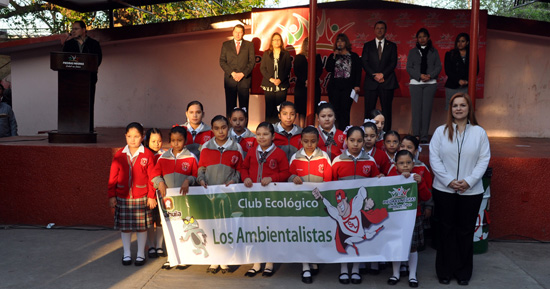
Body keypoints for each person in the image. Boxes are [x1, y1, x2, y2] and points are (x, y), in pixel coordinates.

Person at [429, 93, 490, 285]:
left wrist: (469, 181)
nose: (458, 109)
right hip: (444, 190)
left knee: (465, 232)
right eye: (455, 105)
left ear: (469, 108)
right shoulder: (440, 132)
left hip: (471, 191)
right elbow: (434, 158)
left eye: (462, 105)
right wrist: (449, 181)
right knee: (445, 230)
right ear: (451, 109)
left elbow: (483, 159)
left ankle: (463, 272)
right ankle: (444, 272)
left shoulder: (479, 133)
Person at [240, 122, 290, 277]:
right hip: (254, 198)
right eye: (258, 134)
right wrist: (246, 178)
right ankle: (256, 263)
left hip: (271, 199)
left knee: (270, 230)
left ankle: (269, 262)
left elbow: (286, 173)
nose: (261, 137)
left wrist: (272, 178)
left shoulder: (279, 154)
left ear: (273, 136)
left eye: (265, 134)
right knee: (255, 230)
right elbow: (243, 168)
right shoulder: (251, 151)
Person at [197, 115, 243, 274]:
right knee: (211, 227)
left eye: (223, 127)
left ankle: (225, 259)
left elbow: (240, 170)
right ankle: (214, 260)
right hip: (210, 195)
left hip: (228, 196)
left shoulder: (236, 147)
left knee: (226, 227)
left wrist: (235, 180)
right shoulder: (206, 147)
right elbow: (201, 168)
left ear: (228, 128)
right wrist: (201, 179)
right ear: (212, 130)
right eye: (216, 128)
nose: (220, 131)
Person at [107, 122, 157, 266]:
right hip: (123, 197)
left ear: (142, 137)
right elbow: (113, 177)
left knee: (142, 227)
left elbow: (152, 177)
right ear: (125, 136)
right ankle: (127, 253)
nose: (133, 139)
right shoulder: (119, 155)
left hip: (142, 196)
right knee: (126, 227)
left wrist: (151, 195)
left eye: (136, 136)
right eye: (129, 136)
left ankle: (141, 254)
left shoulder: (147, 154)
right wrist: (112, 195)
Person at [151, 126, 199, 269]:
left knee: (184, 227)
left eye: (179, 140)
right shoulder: (163, 158)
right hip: (168, 202)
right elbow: (154, 175)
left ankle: (184, 256)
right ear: (169, 141)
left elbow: (197, 175)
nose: (176, 143)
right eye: (173, 140)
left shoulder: (190, 157)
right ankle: (172, 257)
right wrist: (159, 182)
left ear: (185, 141)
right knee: (169, 228)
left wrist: (188, 180)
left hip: (185, 201)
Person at [288, 126, 332, 284]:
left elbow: (328, 180)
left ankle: (313, 260)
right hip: (300, 204)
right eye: (305, 141)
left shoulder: (324, 157)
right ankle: (305, 266)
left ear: (318, 141)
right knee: (303, 234)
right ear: (300, 141)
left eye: (313, 141)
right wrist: (293, 178)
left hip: (318, 203)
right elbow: (288, 176)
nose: (309, 144)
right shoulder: (295, 157)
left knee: (316, 234)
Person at [386, 150, 432, 288]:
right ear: (395, 165)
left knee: (413, 247)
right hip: (396, 218)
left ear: (413, 164)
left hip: (414, 216)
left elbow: (426, 197)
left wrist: (420, 183)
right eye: (401, 163)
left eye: (408, 163)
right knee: (396, 245)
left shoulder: (417, 178)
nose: (405, 166)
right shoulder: (392, 176)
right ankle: (395, 273)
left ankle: (412, 275)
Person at [62, 20, 102, 133]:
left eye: (76, 29)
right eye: (72, 29)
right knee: (73, 105)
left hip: (88, 80)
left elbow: (98, 60)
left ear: (84, 30)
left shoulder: (93, 44)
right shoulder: (68, 44)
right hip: (72, 81)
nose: (73, 31)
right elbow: (63, 61)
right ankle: (73, 130)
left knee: (88, 105)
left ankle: (88, 130)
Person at [406, 27, 442, 144]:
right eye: (419, 37)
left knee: (426, 110)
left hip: (430, 84)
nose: (422, 39)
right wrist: (420, 75)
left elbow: (438, 67)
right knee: (416, 110)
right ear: (417, 39)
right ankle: (416, 134)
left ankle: (424, 136)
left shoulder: (434, 51)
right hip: (416, 83)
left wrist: (430, 76)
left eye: (424, 37)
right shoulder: (412, 52)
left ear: (428, 38)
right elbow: (409, 67)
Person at [362, 20, 399, 132]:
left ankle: (386, 134)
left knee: (386, 110)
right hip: (371, 82)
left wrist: (383, 74)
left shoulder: (392, 46)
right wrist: (374, 75)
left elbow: (393, 63)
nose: (379, 30)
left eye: (382, 28)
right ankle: (368, 133)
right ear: (374, 30)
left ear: (385, 30)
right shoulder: (367, 45)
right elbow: (364, 62)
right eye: (377, 28)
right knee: (369, 110)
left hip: (386, 82)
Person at [325, 33, 362, 131]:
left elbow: (358, 71)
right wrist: (334, 57)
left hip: (348, 88)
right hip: (334, 88)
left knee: (345, 111)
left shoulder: (353, 56)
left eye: (342, 41)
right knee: (334, 111)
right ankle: (334, 132)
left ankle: (344, 132)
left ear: (346, 42)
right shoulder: (333, 56)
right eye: (338, 41)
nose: (339, 43)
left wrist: (357, 85)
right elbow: (328, 68)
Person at [219, 24, 255, 117]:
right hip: (230, 80)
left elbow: (252, 62)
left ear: (243, 33)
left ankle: (244, 130)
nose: (238, 34)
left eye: (240, 32)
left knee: (244, 107)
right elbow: (222, 61)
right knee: (230, 107)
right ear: (233, 32)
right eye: (236, 32)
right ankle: (230, 129)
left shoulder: (249, 45)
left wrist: (243, 74)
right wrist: (232, 73)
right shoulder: (226, 45)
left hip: (244, 80)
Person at [143, 128, 166, 261]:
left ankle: (159, 245)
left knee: (161, 220)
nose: (157, 144)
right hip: (149, 193)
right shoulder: (145, 155)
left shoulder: (164, 155)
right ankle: (151, 245)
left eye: (159, 141)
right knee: (150, 221)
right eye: (153, 141)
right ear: (147, 141)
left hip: (161, 192)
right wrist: (150, 195)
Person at [261, 32, 292, 123]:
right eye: (274, 40)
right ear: (271, 42)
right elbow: (262, 68)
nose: (276, 41)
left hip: (281, 85)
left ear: (281, 41)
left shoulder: (285, 54)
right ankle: (268, 128)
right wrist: (271, 79)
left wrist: (280, 80)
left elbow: (288, 68)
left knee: (280, 108)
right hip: (269, 84)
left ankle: (279, 129)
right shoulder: (266, 53)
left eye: (278, 39)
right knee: (269, 108)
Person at [293, 37, 323, 127]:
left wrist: (311, 81)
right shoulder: (299, 57)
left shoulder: (317, 57)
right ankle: (302, 128)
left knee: (313, 108)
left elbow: (319, 70)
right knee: (301, 109)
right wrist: (305, 80)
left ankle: (311, 127)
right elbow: (296, 71)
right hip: (301, 86)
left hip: (314, 85)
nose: (308, 46)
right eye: (306, 44)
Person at [444, 33, 478, 110]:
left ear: (467, 43)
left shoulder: (472, 55)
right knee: (451, 110)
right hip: (452, 86)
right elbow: (448, 71)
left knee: (465, 110)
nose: (460, 43)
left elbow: (476, 70)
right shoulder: (450, 54)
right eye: (458, 41)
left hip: (466, 87)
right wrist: (458, 80)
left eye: (463, 41)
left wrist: (467, 81)